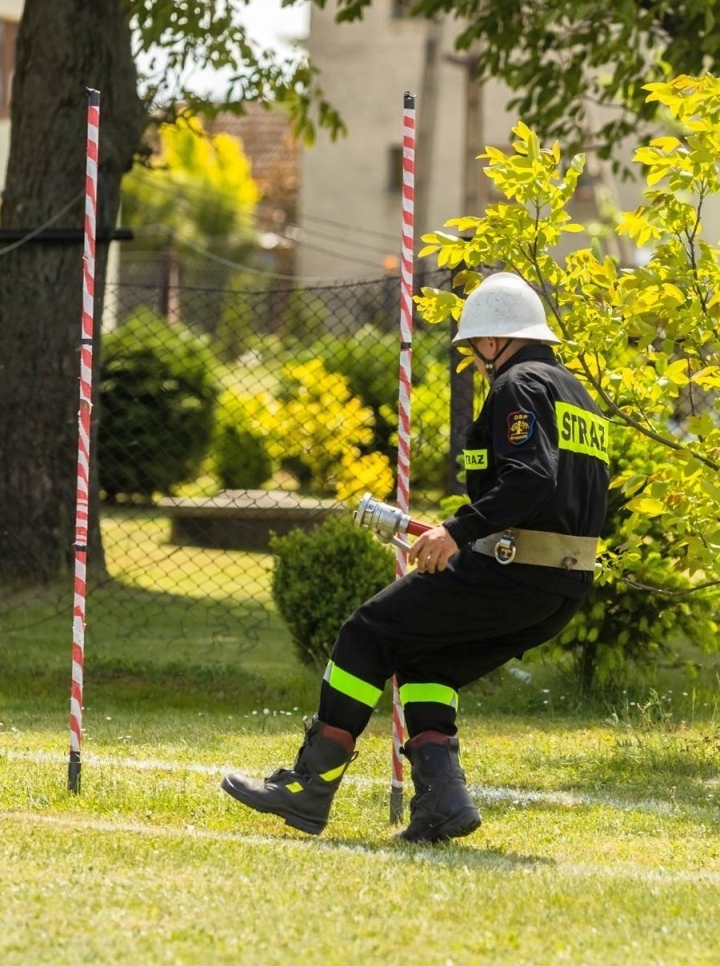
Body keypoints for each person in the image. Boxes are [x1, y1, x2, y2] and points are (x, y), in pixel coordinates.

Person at [222, 272, 610, 842]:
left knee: (367, 632)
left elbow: (531, 477)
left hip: (511, 571)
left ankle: (309, 787)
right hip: (560, 590)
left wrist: (457, 531)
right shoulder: (575, 394)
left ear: (495, 340)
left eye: (476, 346)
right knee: (431, 662)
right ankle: (442, 804)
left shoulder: (518, 385)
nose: (476, 359)